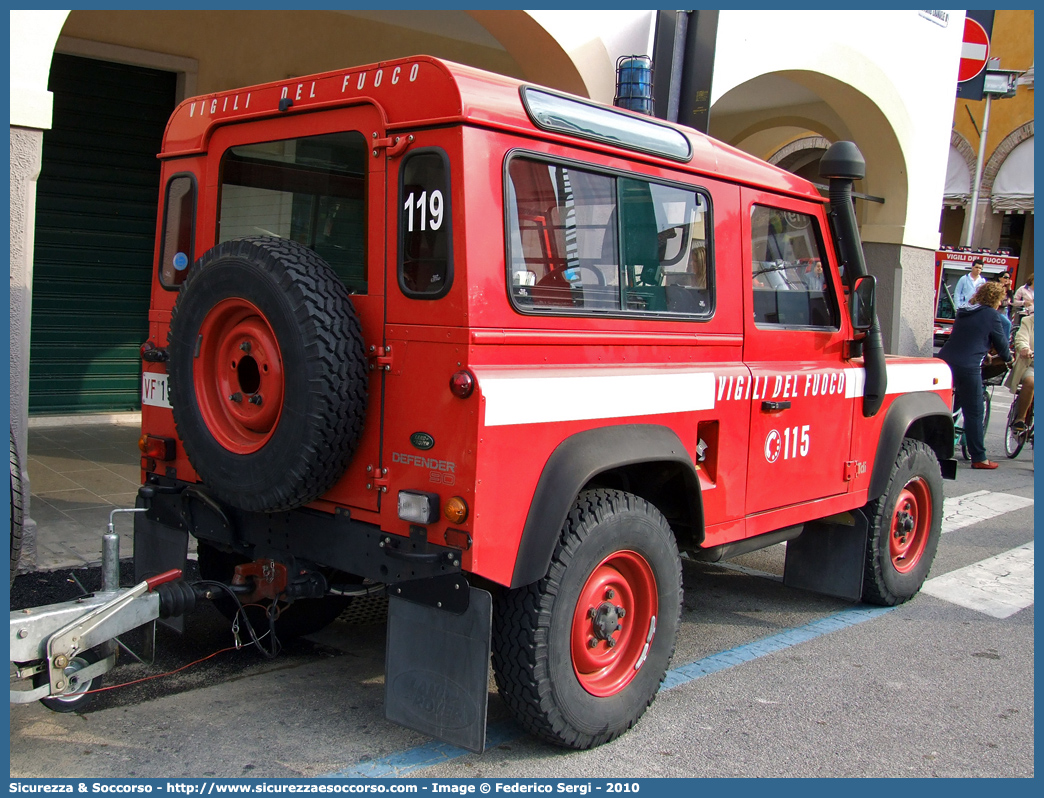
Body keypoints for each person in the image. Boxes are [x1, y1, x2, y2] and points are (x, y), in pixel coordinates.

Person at [937, 280, 1013, 469]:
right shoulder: (992, 315)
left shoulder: (965, 311)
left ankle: (937, 448)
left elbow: (969, 338)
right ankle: (979, 457)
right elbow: (1002, 346)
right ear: (997, 299)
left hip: (945, 361)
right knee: (974, 412)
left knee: (946, 405)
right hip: (968, 366)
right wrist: (1008, 357)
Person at [1005, 312, 1034, 432]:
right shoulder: (1029, 321)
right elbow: (1021, 338)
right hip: (1031, 364)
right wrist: (1024, 348)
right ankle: (1020, 419)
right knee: (1031, 382)